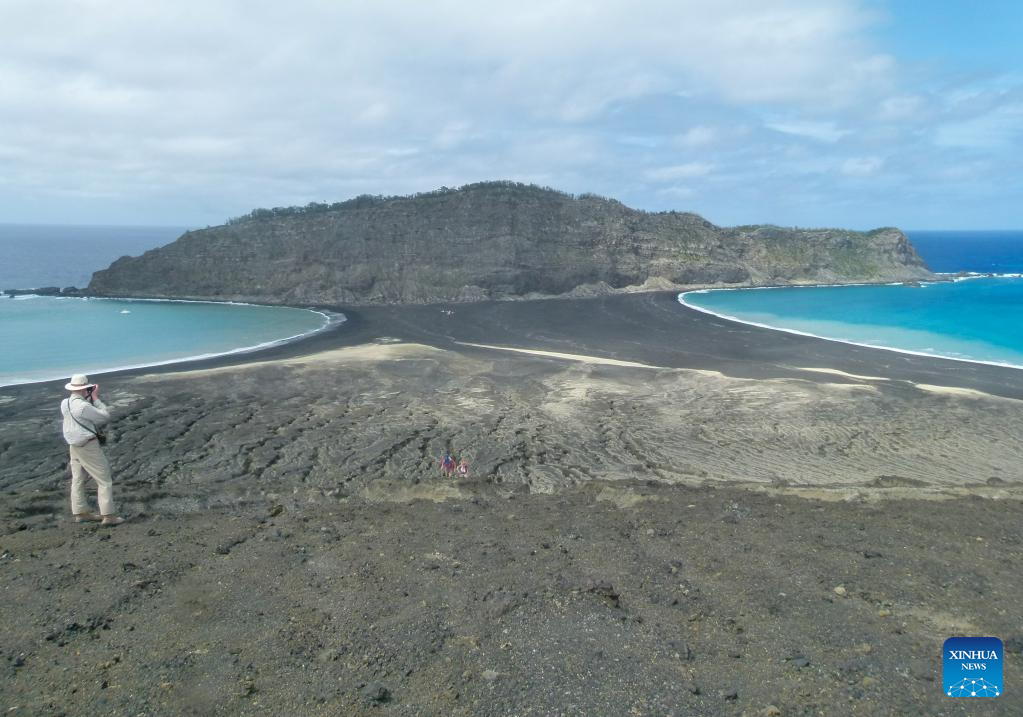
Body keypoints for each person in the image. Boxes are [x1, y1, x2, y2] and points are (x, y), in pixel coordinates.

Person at [60, 374, 124, 526]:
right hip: (88, 446)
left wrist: (88, 398)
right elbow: (104, 416)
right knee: (104, 480)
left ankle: (80, 512)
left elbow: (81, 415)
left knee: (78, 479)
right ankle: (108, 516)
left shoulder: (65, 403)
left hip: (73, 446)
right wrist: (96, 398)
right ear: (86, 388)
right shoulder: (83, 406)